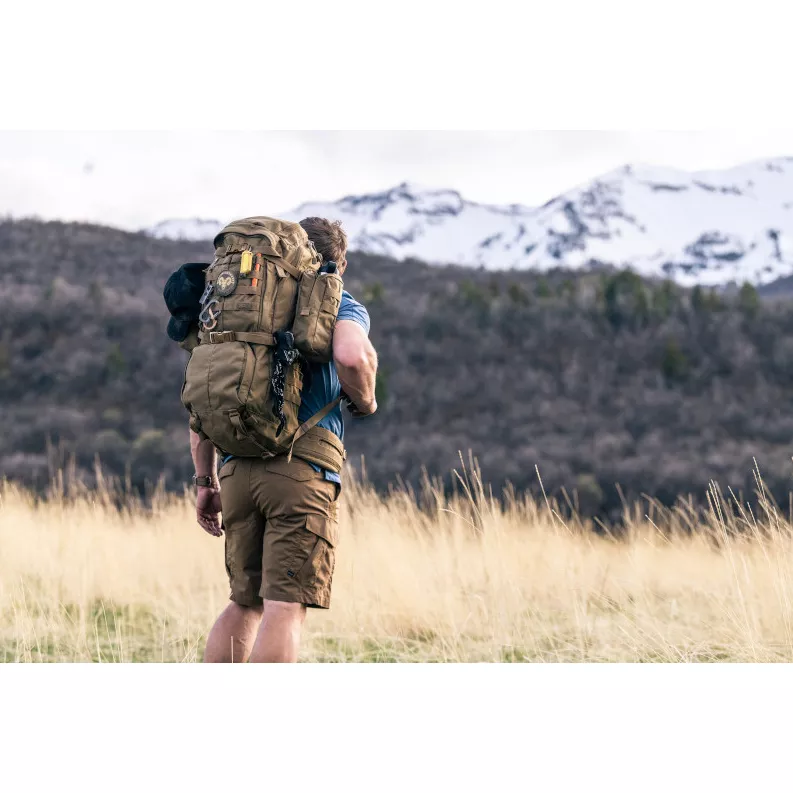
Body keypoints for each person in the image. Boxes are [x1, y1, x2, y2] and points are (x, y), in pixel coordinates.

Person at [189, 217, 378, 663]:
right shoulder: (337, 299)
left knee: (244, 602)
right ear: (339, 264)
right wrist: (367, 400)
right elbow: (352, 355)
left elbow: (204, 397)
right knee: (285, 606)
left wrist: (205, 481)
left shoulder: (241, 304)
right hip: (300, 470)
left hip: (235, 469)